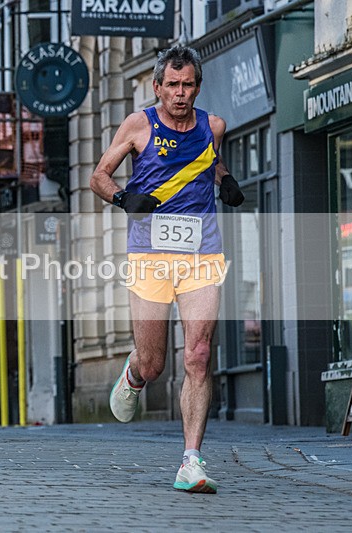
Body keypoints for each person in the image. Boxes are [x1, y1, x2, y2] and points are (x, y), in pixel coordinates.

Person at [90, 45, 244, 494]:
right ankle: (135, 373)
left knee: (197, 355)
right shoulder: (140, 124)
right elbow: (99, 175)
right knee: (155, 362)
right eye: (172, 85)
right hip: (150, 256)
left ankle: (190, 461)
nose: (180, 94)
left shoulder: (213, 126)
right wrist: (123, 198)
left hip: (201, 252)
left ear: (198, 85)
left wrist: (227, 181)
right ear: (157, 86)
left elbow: (210, 163)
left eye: (188, 85)